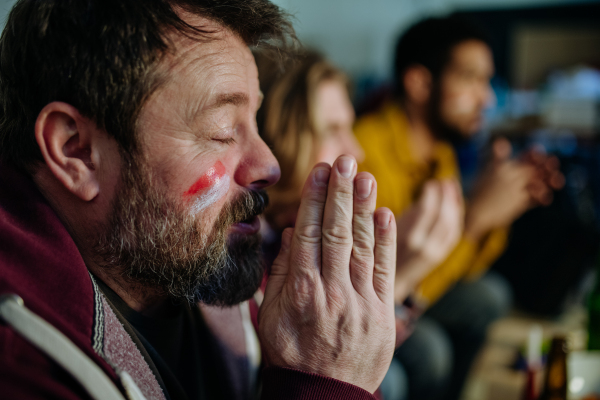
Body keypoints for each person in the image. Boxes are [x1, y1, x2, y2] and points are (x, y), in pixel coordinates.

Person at [0, 1, 400, 399]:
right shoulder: (24, 362)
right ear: (78, 152)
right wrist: (322, 385)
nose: (268, 164)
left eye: (254, 122)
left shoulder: (200, 266)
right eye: (222, 130)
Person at [353, 16, 564, 400]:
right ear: (419, 83)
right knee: (431, 350)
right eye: (470, 79)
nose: (486, 98)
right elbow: (386, 291)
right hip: (375, 304)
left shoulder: (441, 152)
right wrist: (475, 219)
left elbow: (462, 266)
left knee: (491, 294)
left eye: (486, 81)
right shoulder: (366, 157)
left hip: (416, 290)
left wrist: (497, 209)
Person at [255, 51, 464, 400]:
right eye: (333, 130)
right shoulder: (259, 255)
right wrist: (401, 278)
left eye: (349, 127)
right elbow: (337, 370)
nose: (356, 150)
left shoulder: (298, 225)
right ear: (279, 137)